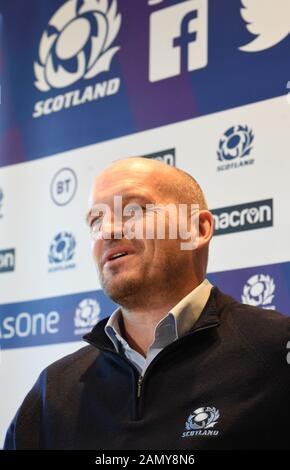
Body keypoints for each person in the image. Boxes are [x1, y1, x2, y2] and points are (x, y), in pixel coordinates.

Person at [4, 157, 290, 450]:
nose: (107, 231)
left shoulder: (277, 351)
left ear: (198, 228)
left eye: (133, 210)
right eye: (96, 220)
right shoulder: (54, 389)